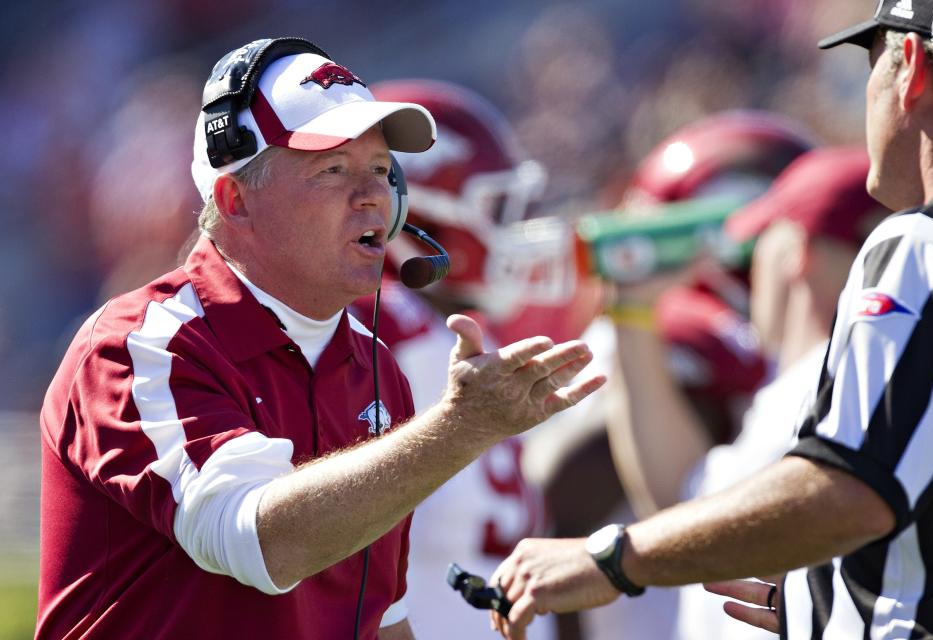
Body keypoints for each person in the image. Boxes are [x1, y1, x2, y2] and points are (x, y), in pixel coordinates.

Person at [35, 39, 604, 640]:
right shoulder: (138, 346)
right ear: (236, 199)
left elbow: (380, 616)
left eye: (382, 171)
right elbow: (259, 543)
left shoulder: (376, 364)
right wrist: (462, 428)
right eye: (332, 169)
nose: (373, 196)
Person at [489, 0, 933, 637]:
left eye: (870, 60)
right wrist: (839, 603)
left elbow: (850, 491)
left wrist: (612, 559)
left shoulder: (930, 242)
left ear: (908, 65)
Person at [607, 146, 887, 640]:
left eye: (761, 242)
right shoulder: (892, 370)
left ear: (796, 253)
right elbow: (689, 496)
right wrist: (632, 318)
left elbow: (683, 522)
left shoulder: (819, 384)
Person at [348, 78, 559, 640]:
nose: (511, 230)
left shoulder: (439, 335)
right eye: (494, 207)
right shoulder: (387, 328)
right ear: (418, 221)